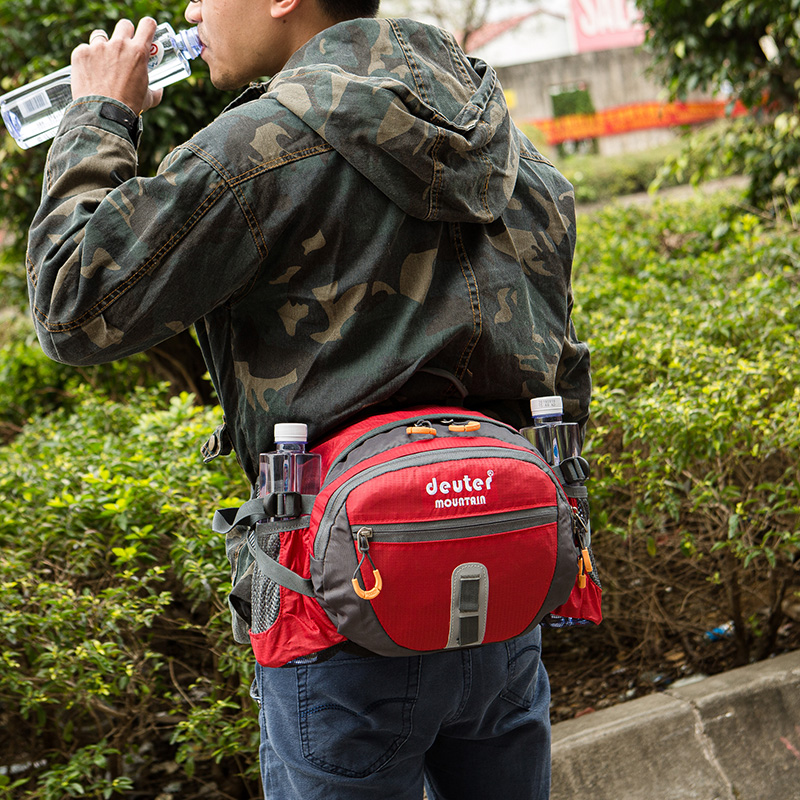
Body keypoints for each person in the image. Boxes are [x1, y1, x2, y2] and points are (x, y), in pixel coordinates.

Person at [25, 1, 591, 797]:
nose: (191, 9)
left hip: (341, 615)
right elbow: (560, 372)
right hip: (501, 591)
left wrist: (97, 116)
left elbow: (70, 302)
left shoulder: (256, 148)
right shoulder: (507, 145)